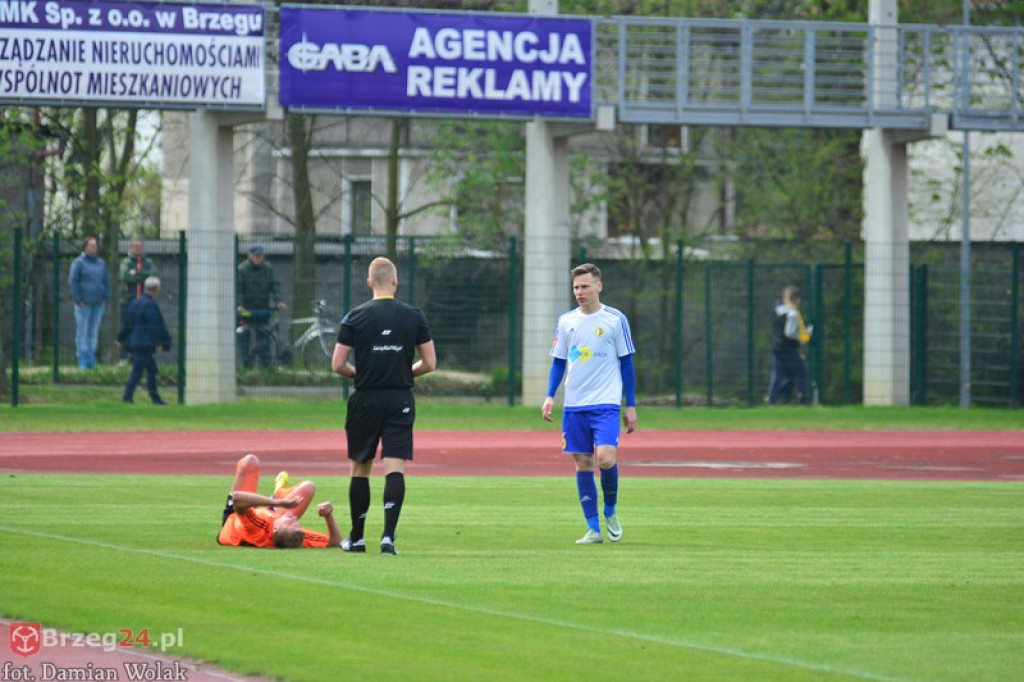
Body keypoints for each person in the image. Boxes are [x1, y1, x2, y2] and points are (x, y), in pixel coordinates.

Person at [332, 256, 436, 555]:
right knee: (395, 467)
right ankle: (388, 537)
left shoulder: (354, 316)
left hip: (365, 398)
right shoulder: (414, 316)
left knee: (360, 467)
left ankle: (358, 537)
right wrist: (404, 371)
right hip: (400, 398)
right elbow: (430, 363)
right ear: (395, 281)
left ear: (368, 283)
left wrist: (359, 373)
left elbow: (338, 364)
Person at [542, 263, 637, 545]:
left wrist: (629, 405)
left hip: (606, 403)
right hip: (575, 405)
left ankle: (610, 511)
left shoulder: (615, 319)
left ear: (599, 286)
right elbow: (558, 361)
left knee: (606, 458)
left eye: (584, 286)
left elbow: (627, 362)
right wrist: (550, 395)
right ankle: (593, 528)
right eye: (576, 287)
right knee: (583, 463)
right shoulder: (566, 321)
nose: (579, 292)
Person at [217, 453, 341, 548]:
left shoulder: (258, 528)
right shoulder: (294, 535)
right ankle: (280, 491)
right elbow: (335, 542)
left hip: (237, 516)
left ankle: (278, 495)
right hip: (273, 513)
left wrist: (277, 502)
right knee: (308, 487)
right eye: (296, 524)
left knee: (250, 461)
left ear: (275, 529)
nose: (293, 519)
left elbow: (238, 498)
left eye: (290, 523)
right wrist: (328, 516)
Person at [116, 276, 172, 405]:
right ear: (157, 290)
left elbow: (127, 323)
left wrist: (120, 338)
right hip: (145, 344)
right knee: (138, 372)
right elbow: (156, 325)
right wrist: (162, 342)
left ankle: (154, 398)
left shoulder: (135, 303)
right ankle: (128, 397)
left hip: (136, 343)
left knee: (151, 370)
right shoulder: (151, 305)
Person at [236, 244, 286, 369]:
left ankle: (265, 366)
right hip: (247, 310)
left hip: (262, 308)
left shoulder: (268, 269)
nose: (258, 258)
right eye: (256, 256)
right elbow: (238, 289)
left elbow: (274, 286)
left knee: (264, 336)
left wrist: (278, 301)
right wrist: (239, 305)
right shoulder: (242, 270)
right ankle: (246, 364)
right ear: (250, 256)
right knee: (244, 337)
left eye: (260, 256)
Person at [68, 235, 109, 369]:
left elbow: (106, 282)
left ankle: (92, 357)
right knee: (83, 331)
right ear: (85, 247)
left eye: (95, 245)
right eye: (91, 245)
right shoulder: (78, 263)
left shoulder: (101, 263)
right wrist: (78, 299)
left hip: (98, 303)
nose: (93, 247)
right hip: (83, 303)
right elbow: (73, 282)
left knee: (94, 331)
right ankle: (82, 358)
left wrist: (105, 298)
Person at [767, 285, 813, 405]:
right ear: (796, 299)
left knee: (778, 375)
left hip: (776, 347)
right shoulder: (793, 313)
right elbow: (789, 332)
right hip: (788, 348)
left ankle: (772, 400)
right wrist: (804, 336)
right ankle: (802, 399)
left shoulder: (778, 311)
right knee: (800, 372)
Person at [118, 236, 158, 364]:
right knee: (128, 328)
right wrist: (143, 276)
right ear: (131, 248)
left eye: (140, 246)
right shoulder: (126, 262)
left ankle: (141, 357)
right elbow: (125, 276)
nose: (138, 249)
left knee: (145, 329)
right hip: (129, 301)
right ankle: (124, 357)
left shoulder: (149, 262)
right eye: (135, 246)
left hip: (146, 303)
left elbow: (154, 276)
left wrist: (137, 273)